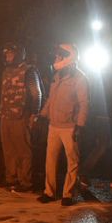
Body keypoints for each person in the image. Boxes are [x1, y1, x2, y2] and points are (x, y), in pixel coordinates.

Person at [38, 43, 89, 205]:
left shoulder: (80, 78)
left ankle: (68, 194)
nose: (56, 58)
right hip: (54, 126)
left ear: (68, 57)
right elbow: (51, 99)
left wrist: (80, 126)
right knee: (50, 160)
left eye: (59, 56)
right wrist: (42, 115)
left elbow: (84, 103)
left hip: (70, 127)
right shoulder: (57, 76)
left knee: (72, 162)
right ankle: (49, 192)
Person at [0, 43, 43, 192]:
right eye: (6, 55)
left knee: (23, 150)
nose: (8, 57)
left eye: (11, 54)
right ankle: (11, 178)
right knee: (9, 150)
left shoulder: (29, 71)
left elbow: (36, 94)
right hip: (5, 115)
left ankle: (26, 182)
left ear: (18, 54)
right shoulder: (6, 71)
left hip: (21, 115)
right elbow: (4, 92)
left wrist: (34, 114)